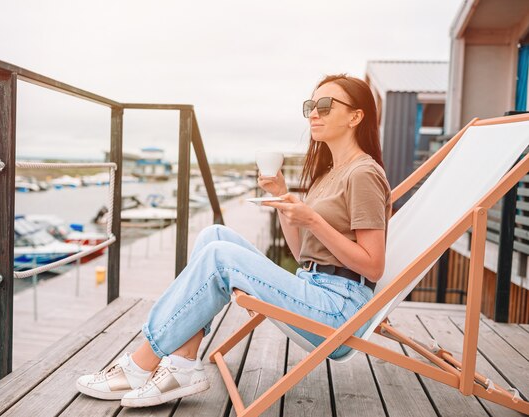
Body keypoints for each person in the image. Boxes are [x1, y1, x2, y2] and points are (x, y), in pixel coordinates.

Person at [75, 74, 392, 408]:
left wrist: (312, 218)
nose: (314, 112)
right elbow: (302, 255)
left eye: (325, 105)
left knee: (220, 257)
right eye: (310, 105)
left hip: (339, 313)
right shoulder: (329, 173)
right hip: (312, 287)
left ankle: (141, 363)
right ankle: (182, 363)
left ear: (356, 116)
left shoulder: (363, 174)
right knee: (214, 235)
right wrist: (282, 198)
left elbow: (373, 265)